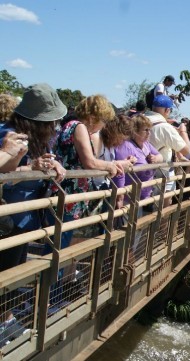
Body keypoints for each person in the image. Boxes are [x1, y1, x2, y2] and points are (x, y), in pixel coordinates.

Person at [0, 83, 67, 270]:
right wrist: (31, 167)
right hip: (8, 216)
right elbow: (5, 175)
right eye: (50, 121)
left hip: (24, 215)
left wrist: (52, 163)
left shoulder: (34, 136)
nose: (54, 125)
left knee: (16, 270)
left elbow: (38, 159)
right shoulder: (8, 135)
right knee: (7, 272)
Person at [51, 95, 122, 247]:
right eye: (103, 120)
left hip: (66, 193)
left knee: (59, 242)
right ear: (92, 117)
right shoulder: (79, 127)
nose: (103, 125)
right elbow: (89, 162)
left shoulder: (70, 125)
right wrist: (110, 166)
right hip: (68, 195)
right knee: (59, 245)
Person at [111, 115, 163, 214]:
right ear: (135, 131)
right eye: (146, 130)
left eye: (149, 130)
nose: (149, 133)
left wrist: (156, 158)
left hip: (142, 197)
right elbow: (120, 171)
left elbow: (160, 156)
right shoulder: (125, 146)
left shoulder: (146, 145)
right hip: (128, 198)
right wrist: (120, 196)